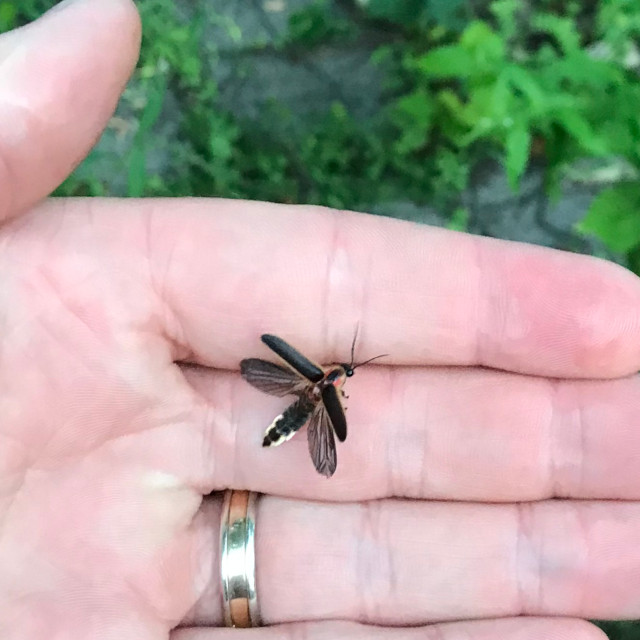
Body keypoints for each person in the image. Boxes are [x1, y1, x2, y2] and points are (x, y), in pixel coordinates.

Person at [0, 1, 636, 638]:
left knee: (293, 410)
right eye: (340, 375)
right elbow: (315, 403)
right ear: (336, 375)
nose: (339, 377)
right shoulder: (327, 390)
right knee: (304, 421)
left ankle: (280, 433)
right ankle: (282, 434)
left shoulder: (313, 377)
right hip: (299, 403)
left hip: (294, 397)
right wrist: (326, 400)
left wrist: (317, 392)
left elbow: (277, 359)